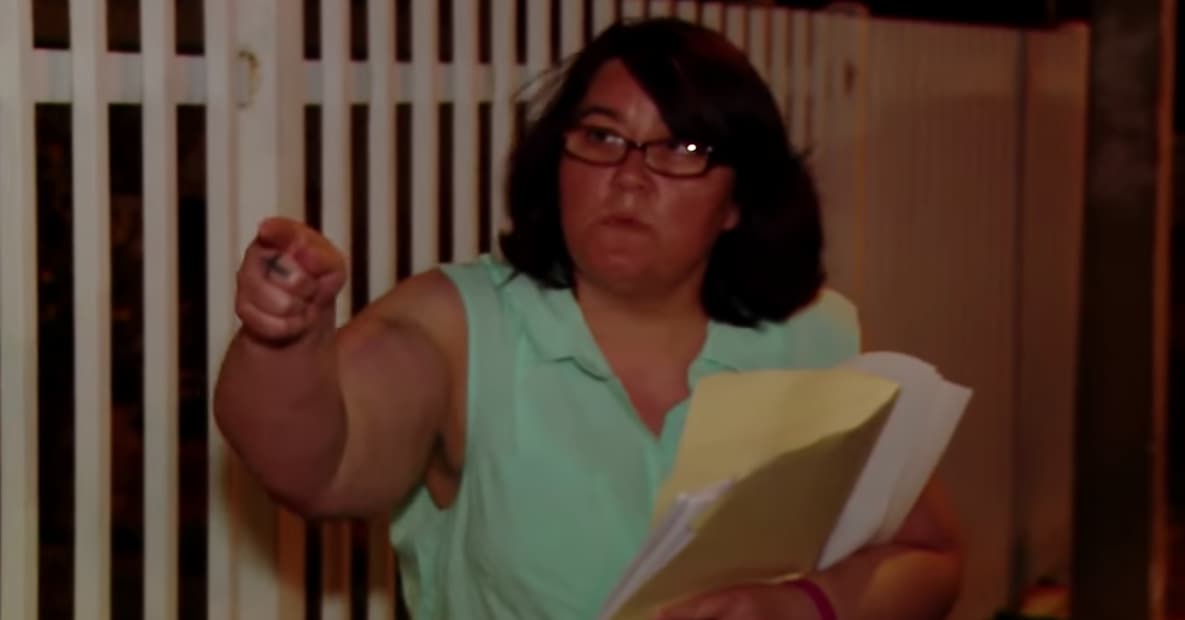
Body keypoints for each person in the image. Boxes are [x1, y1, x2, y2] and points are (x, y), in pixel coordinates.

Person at [213, 17, 962, 620]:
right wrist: (282, 339)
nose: (630, 177)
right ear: (557, 161)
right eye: (602, 137)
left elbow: (929, 557)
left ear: (738, 201)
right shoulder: (464, 324)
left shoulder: (809, 337)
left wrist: (805, 606)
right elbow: (316, 466)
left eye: (683, 147)